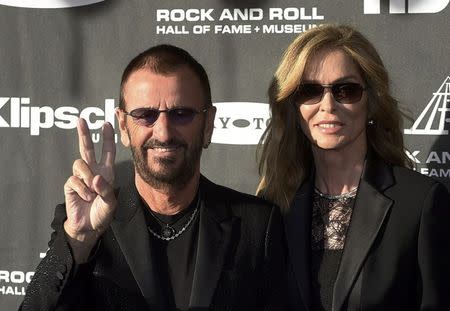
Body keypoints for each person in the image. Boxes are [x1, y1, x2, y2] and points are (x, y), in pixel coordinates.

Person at [21, 44, 286, 311]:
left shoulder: (257, 226)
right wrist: (79, 239)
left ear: (208, 124)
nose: (163, 132)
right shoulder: (86, 223)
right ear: (123, 126)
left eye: (181, 114)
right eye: (145, 115)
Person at [257, 24, 450, 311]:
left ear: (371, 102)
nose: (328, 105)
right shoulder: (273, 208)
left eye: (345, 90)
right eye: (309, 90)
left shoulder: (419, 204)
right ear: (293, 105)